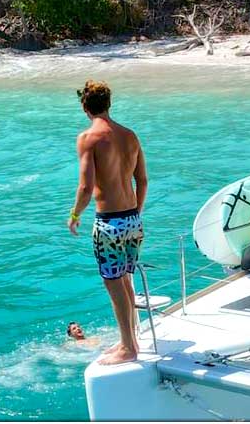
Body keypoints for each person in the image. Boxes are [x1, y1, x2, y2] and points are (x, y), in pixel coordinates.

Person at [67, 80, 147, 365]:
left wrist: (75, 215)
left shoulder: (88, 138)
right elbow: (143, 180)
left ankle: (128, 347)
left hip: (109, 223)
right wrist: (135, 213)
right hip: (133, 219)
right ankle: (131, 338)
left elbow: (86, 188)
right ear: (109, 104)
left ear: (85, 107)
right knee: (125, 279)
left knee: (113, 284)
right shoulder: (130, 135)